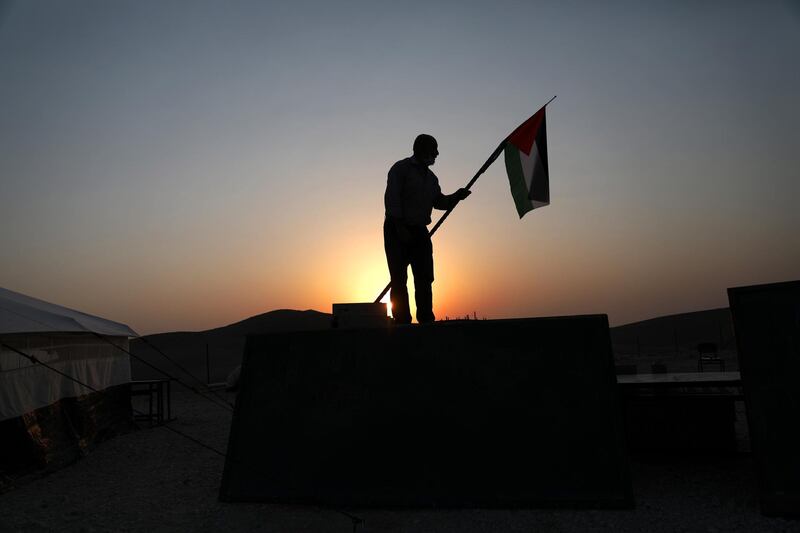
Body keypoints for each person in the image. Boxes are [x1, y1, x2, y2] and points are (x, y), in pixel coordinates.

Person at [383, 134, 471, 324]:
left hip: (419, 231)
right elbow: (392, 201)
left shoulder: (432, 179)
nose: (437, 153)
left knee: (424, 278)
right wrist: (400, 228)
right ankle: (402, 322)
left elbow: (439, 202)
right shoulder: (400, 169)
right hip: (396, 229)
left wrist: (456, 196)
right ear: (421, 149)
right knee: (399, 279)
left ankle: (426, 321)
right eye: (434, 149)